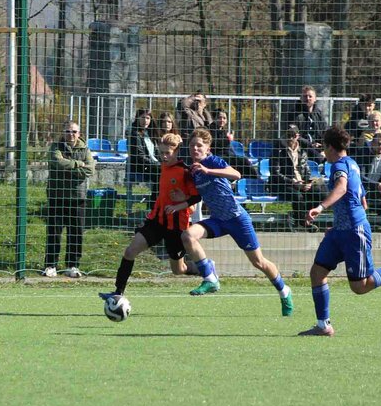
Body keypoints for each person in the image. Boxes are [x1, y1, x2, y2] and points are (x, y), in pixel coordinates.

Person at [298, 126, 381, 337]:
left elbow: (342, 188)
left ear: (330, 147)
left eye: (324, 146)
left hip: (353, 231)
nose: (323, 151)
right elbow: (362, 201)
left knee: (360, 286)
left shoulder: (339, 166)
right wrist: (339, 222)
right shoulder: (352, 163)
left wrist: (320, 208)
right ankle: (323, 325)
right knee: (317, 273)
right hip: (341, 230)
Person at [180, 129, 294, 317]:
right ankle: (210, 277)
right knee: (188, 236)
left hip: (237, 219)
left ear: (208, 148)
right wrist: (180, 201)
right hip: (218, 220)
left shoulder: (212, 161)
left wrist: (208, 170)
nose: (195, 148)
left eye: (199, 145)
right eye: (192, 145)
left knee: (259, 262)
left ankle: (284, 290)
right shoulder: (194, 171)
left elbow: (236, 174)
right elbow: (197, 196)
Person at [99, 133, 200, 299]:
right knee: (130, 251)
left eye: (168, 153)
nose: (164, 156)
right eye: (161, 153)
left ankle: (201, 268)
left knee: (178, 270)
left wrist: (182, 200)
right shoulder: (162, 167)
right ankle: (117, 292)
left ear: (176, 152)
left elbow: (195, 201)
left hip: (176, 226)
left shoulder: (185, 172)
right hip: (156, 221)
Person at [43, 121, 95, 278]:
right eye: (67, 131)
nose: (71, 134)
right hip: (57, 196)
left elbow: (90, 170)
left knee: (76, 233)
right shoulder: (55, 147)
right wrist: (78, 164)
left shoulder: (85, 149)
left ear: (79, 133)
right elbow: (57, 162)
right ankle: (50, 265)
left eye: (74, 131)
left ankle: (72, 266)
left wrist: (68, 168)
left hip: (78, 198)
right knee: (54, 232)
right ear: (63, 132)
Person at [269, 125, 320, 231]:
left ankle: (303, 215)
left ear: (298, 136)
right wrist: (292, 182)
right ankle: (302, 222)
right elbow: (275, 174)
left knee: (320, 192)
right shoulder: (278, 150)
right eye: (288, 135)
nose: (290, 138)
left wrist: (307, 182)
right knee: (297, 195)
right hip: (283, 184)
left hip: (300, 182)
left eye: (293, 135)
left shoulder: (302, 150)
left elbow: (306, 170)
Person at [283, 85, 328, 155]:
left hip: (318, 148)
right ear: (301, 98)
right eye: (305, 96)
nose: (307, 98)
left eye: (310, 96)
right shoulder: (294, 114)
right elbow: (294, 135)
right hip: (300, 149)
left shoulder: (319, 114)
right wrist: (310, 144)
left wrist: (322, 145)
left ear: (315, 99)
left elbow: (325, 131)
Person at [126, 108, 160, 199]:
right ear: (137, 118)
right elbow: (140, 157)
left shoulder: (150, 132)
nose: (145, 121)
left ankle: (159, 201)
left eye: (148, 118)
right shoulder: (133, 133)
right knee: (161, 174)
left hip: (151, 165)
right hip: (140, 167)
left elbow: (156, 152)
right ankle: (155, 202)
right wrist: (157, 164)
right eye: (142, 117)